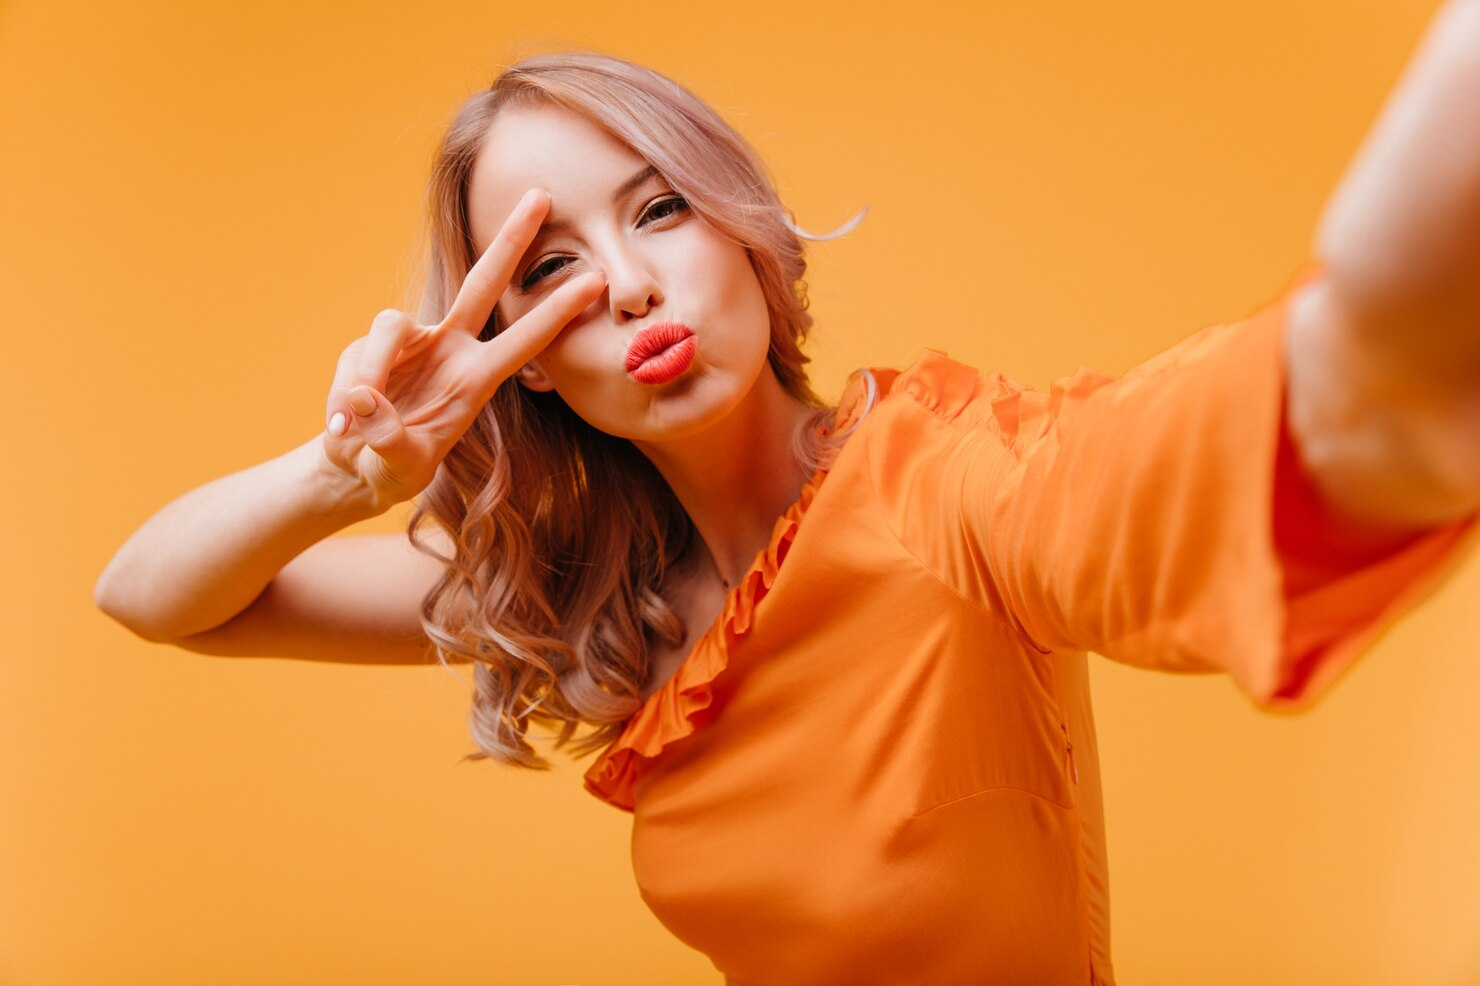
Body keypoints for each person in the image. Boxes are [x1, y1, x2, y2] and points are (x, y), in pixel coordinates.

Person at [94, 23, 1480, 986]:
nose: (627, 289)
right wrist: (345, 472)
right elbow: (157, 597)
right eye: (549, 275)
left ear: (746, 230)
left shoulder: (935, 476)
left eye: (655, 213)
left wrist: (1370, 365)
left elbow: (1132, 481)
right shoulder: (594, 599)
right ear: (531, 371)